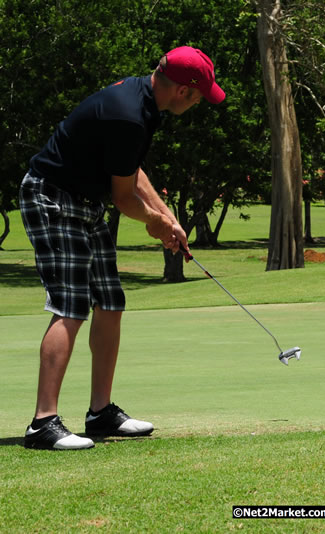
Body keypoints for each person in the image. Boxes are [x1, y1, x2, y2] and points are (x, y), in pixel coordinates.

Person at [19, 46, 226, 450]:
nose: (201, 101)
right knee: (71, 304)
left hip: (83, 201)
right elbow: (124, 198)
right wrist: (155, 224)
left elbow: (131, 171)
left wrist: (168, 218)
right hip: (52, 197)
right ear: (184, 90)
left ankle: (100, 413)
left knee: (110, 301)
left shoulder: (143, 101)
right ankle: (42, 423)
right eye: (201, 95)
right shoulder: (129, 114)